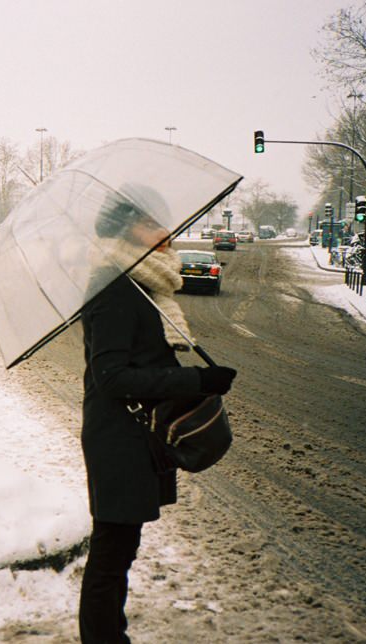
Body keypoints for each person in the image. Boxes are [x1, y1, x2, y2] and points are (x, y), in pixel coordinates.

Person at [78, 191, 236, 643]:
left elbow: (141, 361)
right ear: (127, 228)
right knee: (111, 552)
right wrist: (196, 383)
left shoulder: (141, 285)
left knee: (120, 550)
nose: (166, 233)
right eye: (153, 225)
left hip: (132, 434)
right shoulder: (113, 288)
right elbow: (110, 376)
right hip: (119, 437)